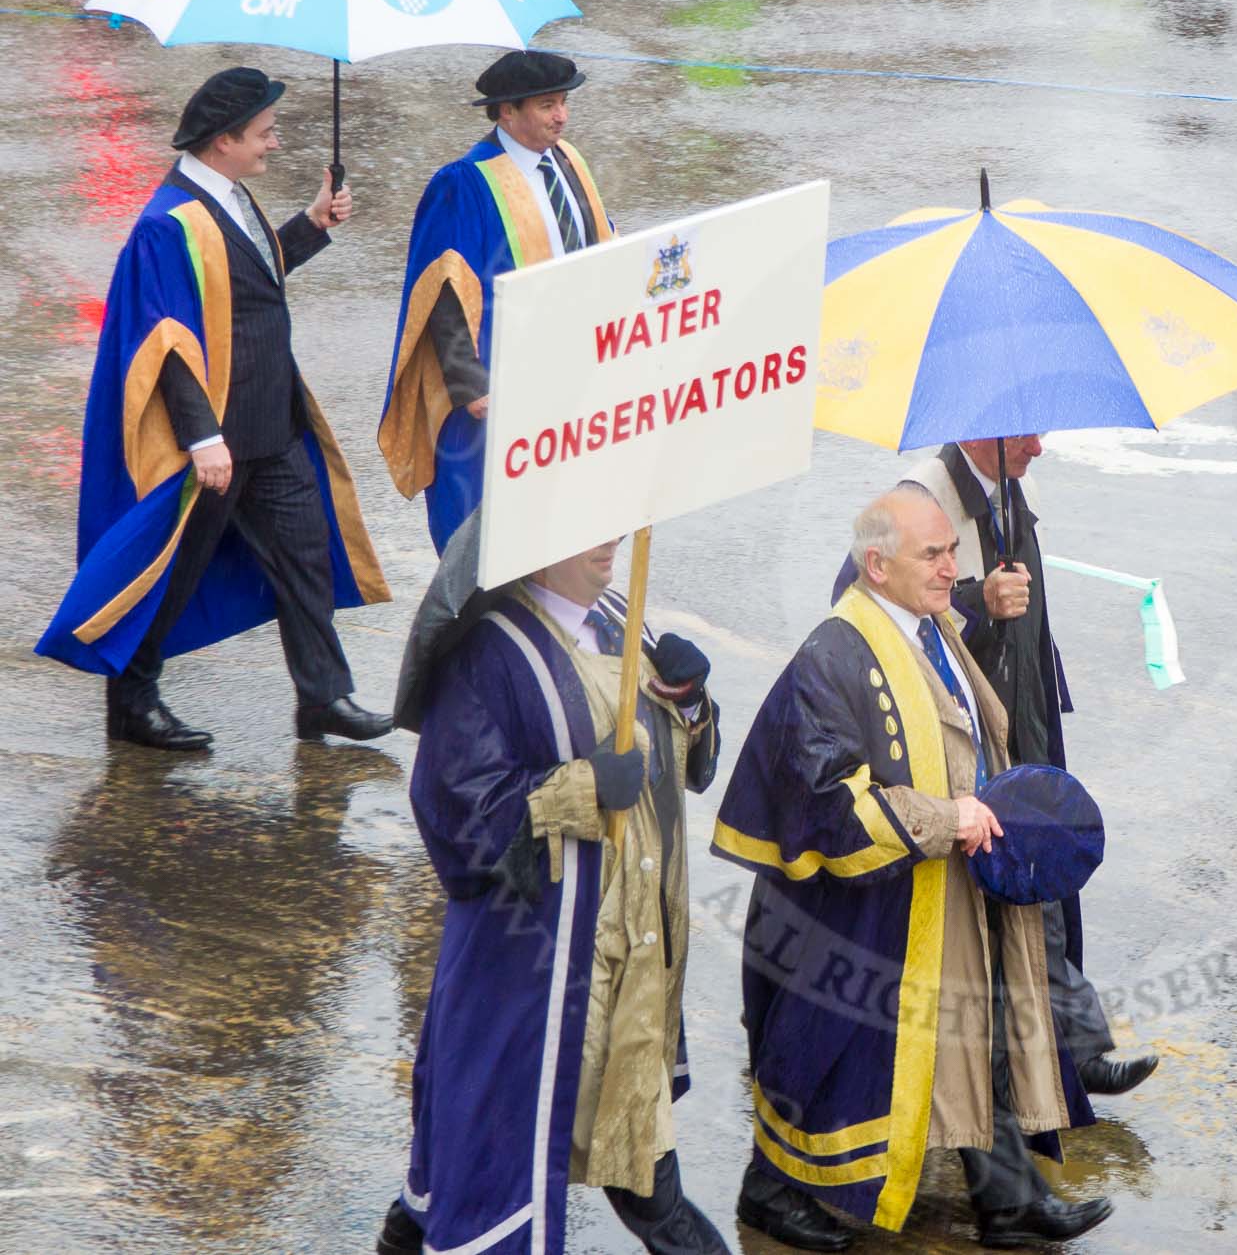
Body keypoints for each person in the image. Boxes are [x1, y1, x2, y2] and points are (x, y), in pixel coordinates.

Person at [717, 483, 1111, 1251]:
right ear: (876, 564)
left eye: (951, 549)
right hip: (864, 909)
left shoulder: (936, 628)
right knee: (823, 1051)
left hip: (947, 889)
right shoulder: (831, 657)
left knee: (980, 1029)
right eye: (933, 553)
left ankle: (1008, 1198)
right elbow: (834, 803)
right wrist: (948, 818)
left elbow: (959, 724)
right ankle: (769, 1189)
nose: (949, 566)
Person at [375, 533, 726, 1255]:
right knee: (505, 1153)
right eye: (589, 527)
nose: (613, 541)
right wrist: (582, 787)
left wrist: (691, 704)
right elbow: (454, 813)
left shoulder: (624, 623)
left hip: (630, 964)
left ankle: (407, 1234)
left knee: (630, 1150)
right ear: (535, 542)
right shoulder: (486, 654)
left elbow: (687, 770)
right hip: (535, 973)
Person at [37, 65, 391, 750]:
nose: (275, 144)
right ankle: (132, 704)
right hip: (217, 440)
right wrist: (203, 439)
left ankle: (323, 696)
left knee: (305, 558)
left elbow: (246, 280)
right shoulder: (164, 224)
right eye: (264, 133)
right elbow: (163, 342)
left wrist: (312, 224)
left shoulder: (230, 195)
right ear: (224, 139)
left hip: (273, 422)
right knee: (173, 569)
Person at [834, 436, 1156, 1096]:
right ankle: (1044, 1067)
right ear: (982, 431)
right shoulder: (922, 498)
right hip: (961, 733)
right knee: (1015, 889)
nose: (1039, 447)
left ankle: (1073, 1049)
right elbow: (858, 602)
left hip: (1020, 713)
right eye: (1026, 433)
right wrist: (979, 600)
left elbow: (1031, 623)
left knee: (1042, 876)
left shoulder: (1014, 492)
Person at [378, 49, 616, 553]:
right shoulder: (464, 183)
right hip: (499, 378)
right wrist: (469, 383)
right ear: (507, 111)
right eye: (548, 105)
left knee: (564, 506)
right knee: (487, 522)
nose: (562, 116)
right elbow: (441, 289)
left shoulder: (568, 160)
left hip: (569, 366)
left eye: (564, 102)